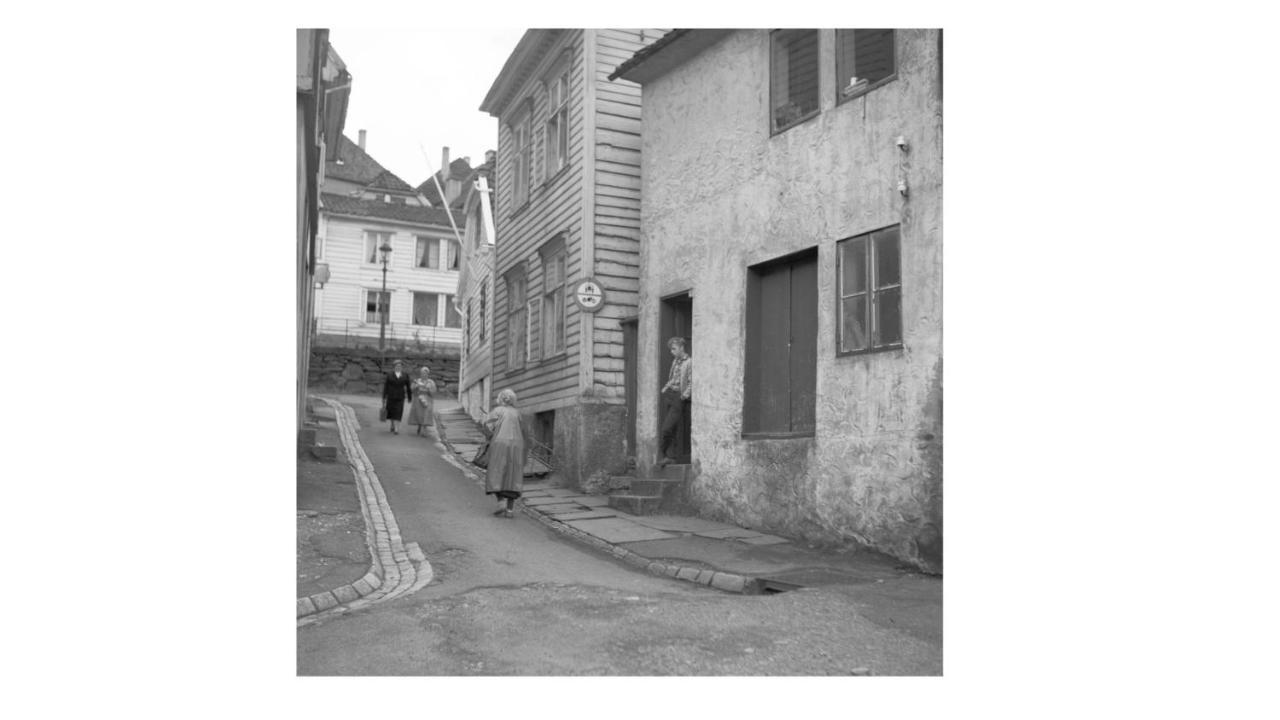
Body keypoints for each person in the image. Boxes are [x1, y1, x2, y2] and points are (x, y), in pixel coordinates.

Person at [484, 389, 529, 518]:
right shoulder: (518, 413)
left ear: (500, 399)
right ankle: (509, 510)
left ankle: (500, 502)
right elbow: (525, 432)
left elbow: (487, 427)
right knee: (513, 474)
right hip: (517, 445)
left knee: (497, 471)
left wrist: (489, 437)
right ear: (513, 400)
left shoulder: (497, 411)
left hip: (499, 444)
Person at [658, 336, 692, 467]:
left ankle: (669, 455)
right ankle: (669, 457)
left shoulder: (689, 362)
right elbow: (674, 377)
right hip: (670, 395)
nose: (672, 351)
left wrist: (684, 396)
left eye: (674, 349)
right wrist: (666, 387)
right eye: (671, 349)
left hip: (679, 396)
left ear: (681, 348)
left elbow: (691, 381)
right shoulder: (675, 361)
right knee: (672, 428)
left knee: (667, 428)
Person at [382, 360, 412, 434]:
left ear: (402, 367)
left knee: (399, 412)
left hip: (400, 396)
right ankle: (392, 424)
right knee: (391, 411)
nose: (398, 367)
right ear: (394, 367)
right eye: (397, 366)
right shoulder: (389, 374)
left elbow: (408, 387)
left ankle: (396, 428)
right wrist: (384, 397)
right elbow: (386, 386)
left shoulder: (405, 375)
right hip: (391, 395)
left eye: (400, 366)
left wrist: (409, 397)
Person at [407, 366, 437, 436]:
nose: (424, 375)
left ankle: (424, 429)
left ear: (428, 374)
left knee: (426, 414)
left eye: (425, 373)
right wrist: (415, 387)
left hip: (427, 400)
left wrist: (429, 389)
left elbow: (433, 392)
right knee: (419, 414)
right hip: (419, 399)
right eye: (422, 373)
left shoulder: (431, 382)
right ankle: (419, 425)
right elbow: (412, 389)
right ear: (420, 374)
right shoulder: (417, 381)